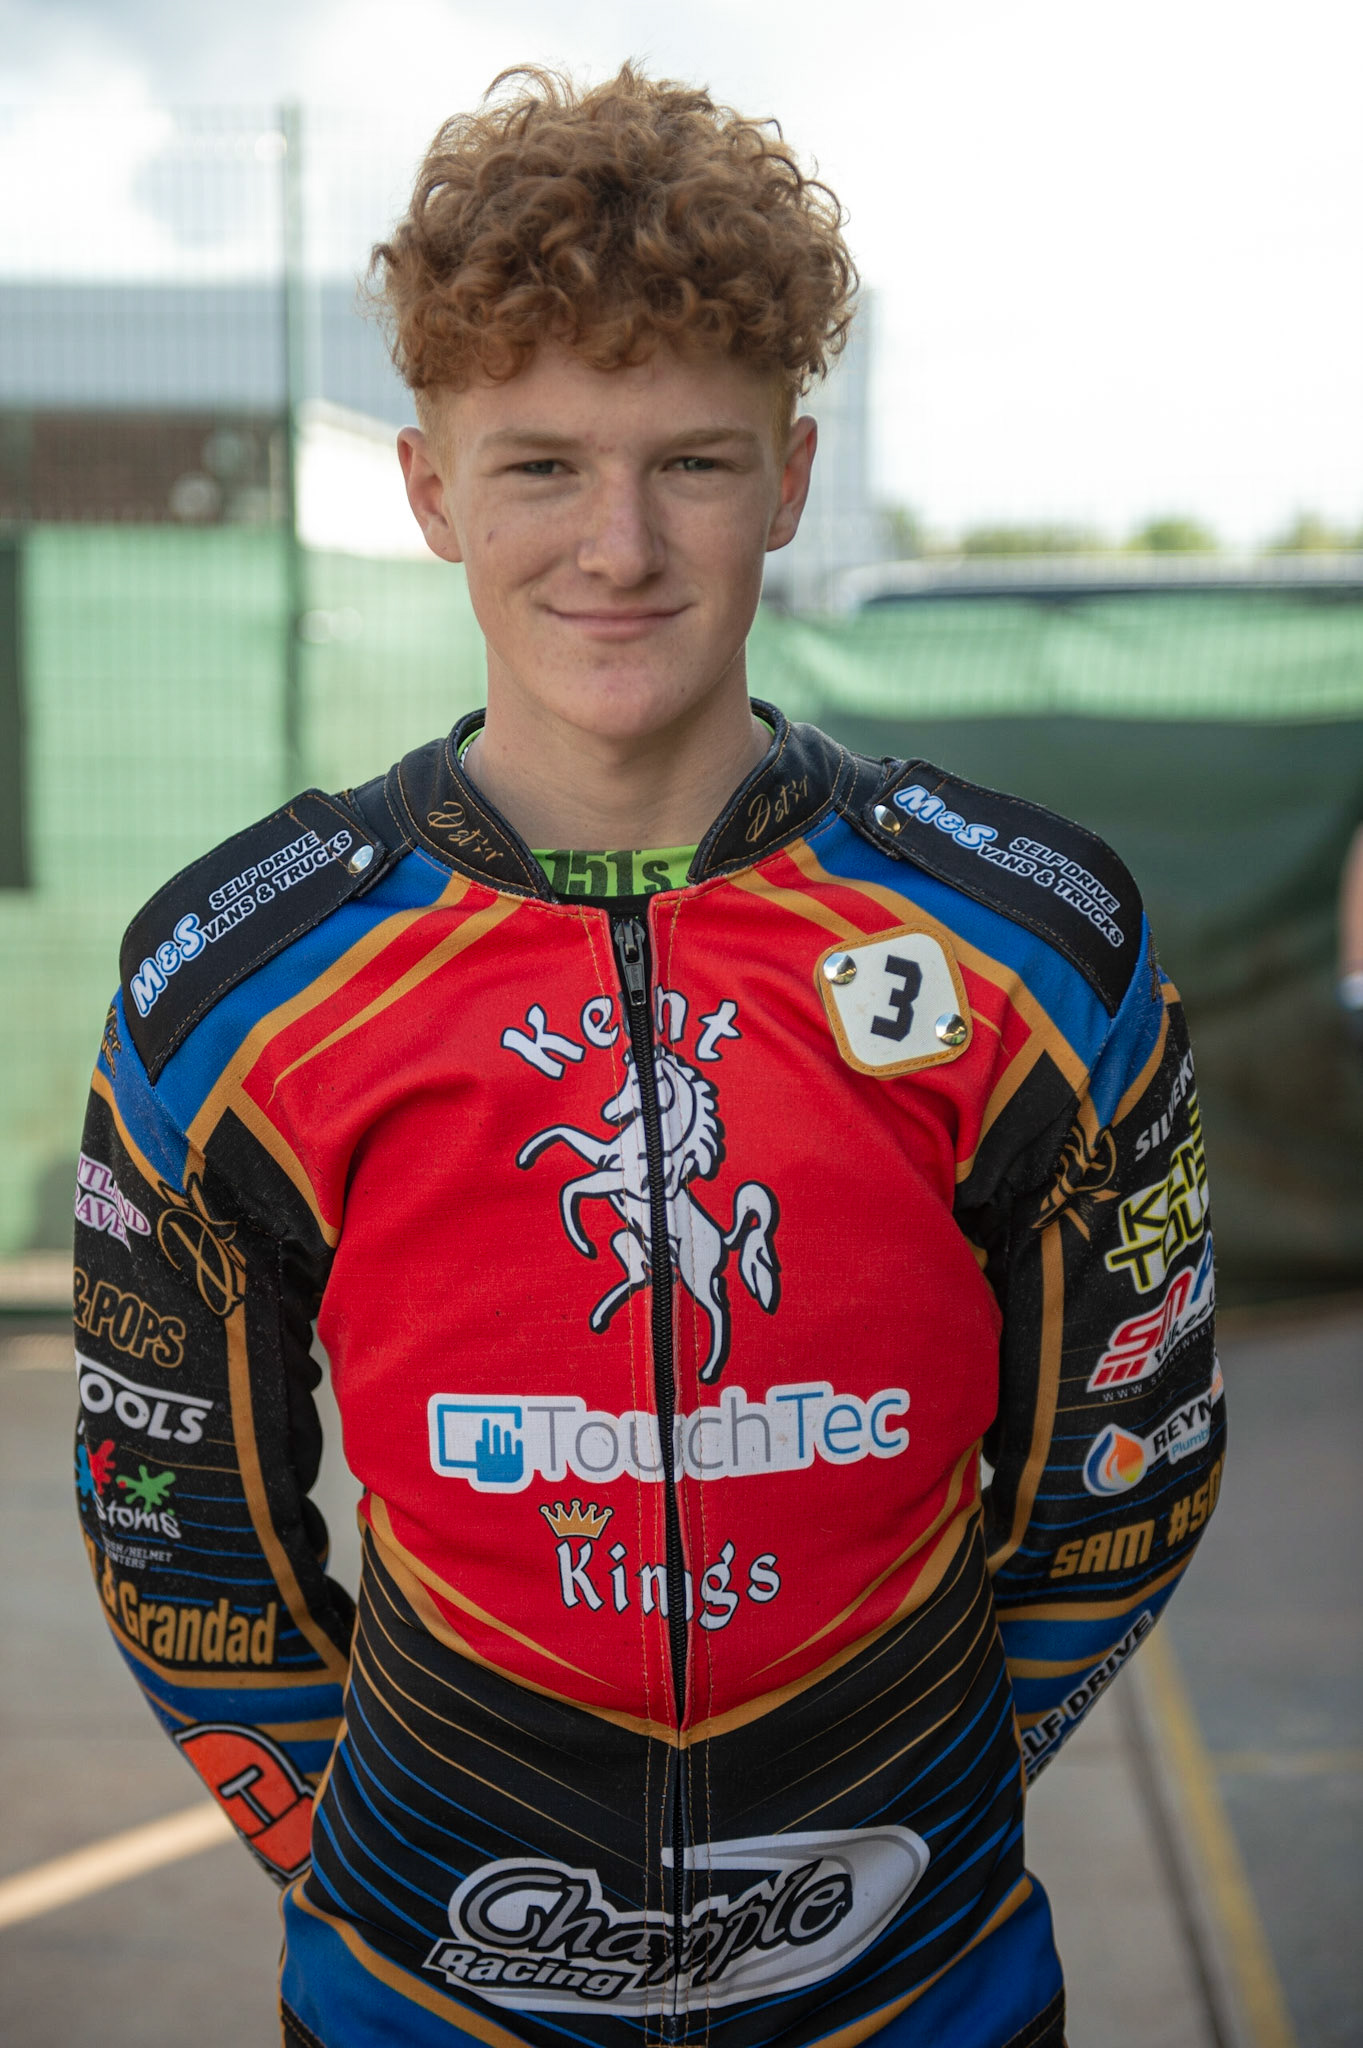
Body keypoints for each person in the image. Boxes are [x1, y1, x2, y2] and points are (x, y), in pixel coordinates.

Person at [73, 64, 1222, 2048]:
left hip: (922, 1995)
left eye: (688, 462)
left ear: (786, 474)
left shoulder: (1029, 939)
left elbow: (1128, 1467)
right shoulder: (237, 980)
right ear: (432, 488)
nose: (617, 545)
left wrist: (924, 1800)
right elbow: (171, 1514)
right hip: (425, 2003)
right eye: (539, 466)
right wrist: (371, 1842)